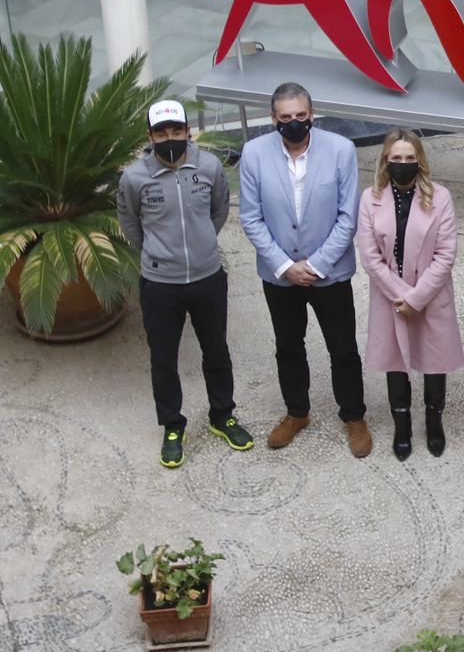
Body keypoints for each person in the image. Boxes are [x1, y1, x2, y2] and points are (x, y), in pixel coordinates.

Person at [117, 99, 250, 468]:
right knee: (163, 359)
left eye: (177, 131)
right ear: (150, 136)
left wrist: (201, 244)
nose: (170, 138)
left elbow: (219, 211)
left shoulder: (208, 167)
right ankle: (173, 426)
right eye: (162, 133)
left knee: (217, 351)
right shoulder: (134, 178)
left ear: (188, 132)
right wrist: (159, 253)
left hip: (208, 277)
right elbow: (131, 224)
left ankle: (222, 416)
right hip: (160, 285)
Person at [238, 82, 369, 456]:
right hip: (279, 275)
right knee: (288, 346)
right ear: (273, 118)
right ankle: (297, 412)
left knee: (343, 347)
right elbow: (250, 217)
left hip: (330, 273)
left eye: (300, 115)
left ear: (312, 114)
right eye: (285, 117)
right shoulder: (253, 153)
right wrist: (284, 266)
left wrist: (315, 264)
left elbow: (348, 216)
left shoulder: (341, 150)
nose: (293, 123)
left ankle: (354, 416)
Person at [355, 129, 464, 460]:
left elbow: (446, 254)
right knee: (395, 362)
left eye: (409, 158)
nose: (403, 164)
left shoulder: (440, 197)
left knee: (435, 361)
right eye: (396, 158)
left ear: (420, 161)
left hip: (430, 294)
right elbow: (370, 257)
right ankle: (401, 426)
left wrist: (416, 298)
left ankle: (434, 421)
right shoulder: (370, 198)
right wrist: (401, 295)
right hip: (390, 296)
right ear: (385, 160)